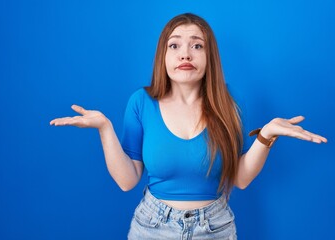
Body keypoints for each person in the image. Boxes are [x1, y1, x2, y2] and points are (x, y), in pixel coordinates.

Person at [50, 13, 327, 240]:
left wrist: (266, 136)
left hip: (215, 229)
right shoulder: (141, 102)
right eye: (175, 45)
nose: (186, 54)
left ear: (209, 57)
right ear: (164, 56)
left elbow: (240, 178)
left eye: (197, 45)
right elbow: (127, 181)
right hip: (151, 229)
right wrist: (105, 128)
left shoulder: (229, 102)